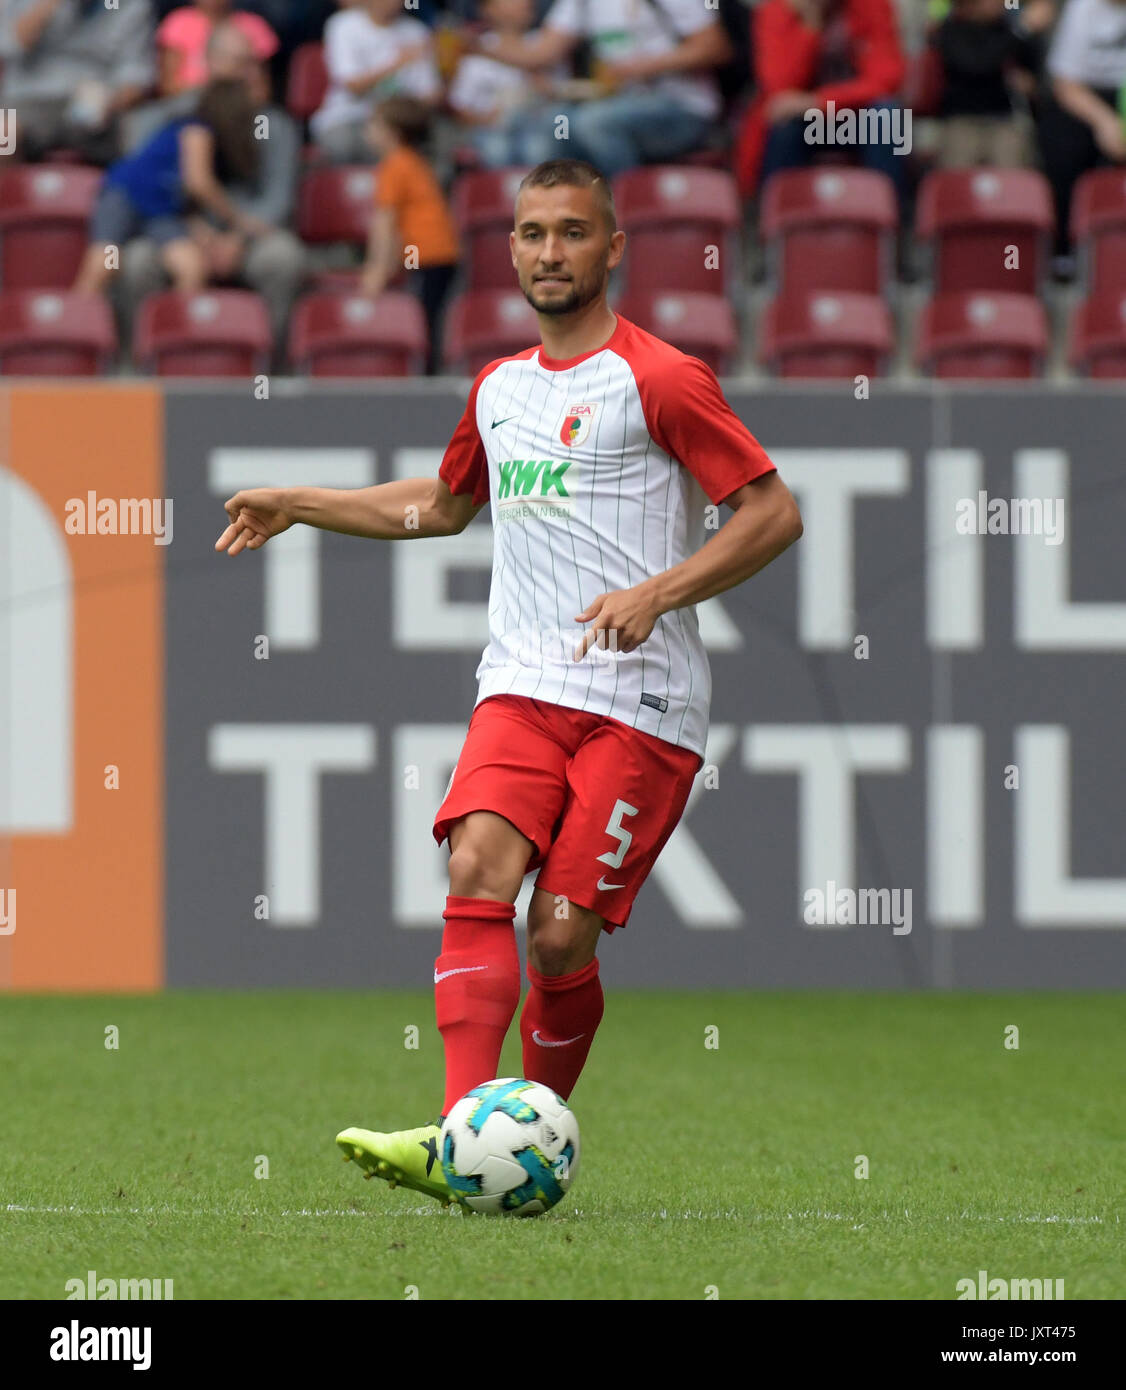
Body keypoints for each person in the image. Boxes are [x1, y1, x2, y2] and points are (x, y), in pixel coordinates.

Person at [213, 158, 803, 1208]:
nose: (548, 253)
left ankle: (524, 1130)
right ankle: (460, 1141)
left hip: (642, 702)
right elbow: (442, 510)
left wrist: (660, 592)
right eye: (531, 234)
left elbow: (771, 514)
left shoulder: (661, 379)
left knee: (562, 932)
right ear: (512, 249)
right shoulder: (498, 389)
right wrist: (301, 500)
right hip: (521, 684)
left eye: (572, 233)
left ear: (612, 249)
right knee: (476, 863)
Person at [117, 23, 306, 353]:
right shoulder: (177, 114)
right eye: (235, 61)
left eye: (252, 63)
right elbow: (151, 184)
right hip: (178, 231)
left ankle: (268, 369)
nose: (245, 72)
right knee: (135, 261)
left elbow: (278, 199)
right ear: (208, 61)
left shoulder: (274, 125)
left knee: (285, 258)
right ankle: (145, 364)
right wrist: (193, 230)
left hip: (250, 237)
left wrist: (237, 238)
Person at [471, 0, 732, 176]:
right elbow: (541, 54)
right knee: (550, 126)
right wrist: (476, 48)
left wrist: (643, 67)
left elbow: (716, 47)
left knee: (592, 122)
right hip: (619, 106)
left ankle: (622, 220)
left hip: (684, 109)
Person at [73, 76, 270, 298]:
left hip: (161, 212)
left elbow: (183, 199)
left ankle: (179, 329)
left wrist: (204, 232)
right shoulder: (197, 127)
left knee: (192, 268)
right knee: (107, 263)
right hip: (124, 196)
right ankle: (70, 328)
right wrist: (238, 220)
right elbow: (198, 183)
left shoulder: (218, 151)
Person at [733, 0, 907, 202]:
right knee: (783, 124)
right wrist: (810, 26)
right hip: (801, 122)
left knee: (886, 115)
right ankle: (776, 217)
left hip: (856, 115)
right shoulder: (777, 10)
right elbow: (779, 87)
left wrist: (818, 101)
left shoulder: (872, 6)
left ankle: (887, 217)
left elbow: (887, 79)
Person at [361, 96, 461, 375]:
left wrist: (376, 272)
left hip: (428, 255)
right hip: (440, 254)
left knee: (422, 321)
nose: (367, 131)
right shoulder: (413, 162)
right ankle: (427, 372)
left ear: (391, 132)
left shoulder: (395, 165)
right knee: (429, 318)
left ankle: (424, 378)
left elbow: (385, 224)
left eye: (373, 125)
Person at [0, 0, 154, 164]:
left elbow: (136, 77)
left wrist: (109, 102)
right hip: (29, 99)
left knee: (143, 139)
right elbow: (12, 44)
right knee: (4, 135)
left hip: (95, 103)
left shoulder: (129, 4)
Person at [1038, 0, 1126, 263]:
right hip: (1083, 99)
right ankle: (1064, 248)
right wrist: (1106, 123)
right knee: (1063, 142)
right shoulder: (1082, 8)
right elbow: (1064, 84)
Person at [311, 0, 442, 164]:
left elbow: (432, 94)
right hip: (349, 117)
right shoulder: (343, 24)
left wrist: (400, 115)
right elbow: (352, 86)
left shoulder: (416, 31)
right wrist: (397, 63)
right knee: (343, 143)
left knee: (438, 139)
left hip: (402, 124)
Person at [447, 0, 569, 169]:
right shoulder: (476, 47)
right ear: (488, 9)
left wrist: (542, 87)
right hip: (492, 129)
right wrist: (483, 119)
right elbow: (459, 106)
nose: (525, 3)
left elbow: (563, 95)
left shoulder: (546, 46)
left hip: (537, 124)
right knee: (497, 148)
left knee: (538, 148)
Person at [932, 0, 1041, 168]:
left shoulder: (1007, 28)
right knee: (958, 168)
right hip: (962, 120)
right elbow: (977, 64)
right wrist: (1022, 30)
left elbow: (1034, 73)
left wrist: (1030, 84)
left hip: (1005, 119)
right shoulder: (950, 30)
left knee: (1013, 164)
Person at [157, 0, 279, 95]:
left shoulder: (254, 26)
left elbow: (262, 90)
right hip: (190, 107)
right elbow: (168, 86)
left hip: (242, 109)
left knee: (269, 121)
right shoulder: (178, 23)